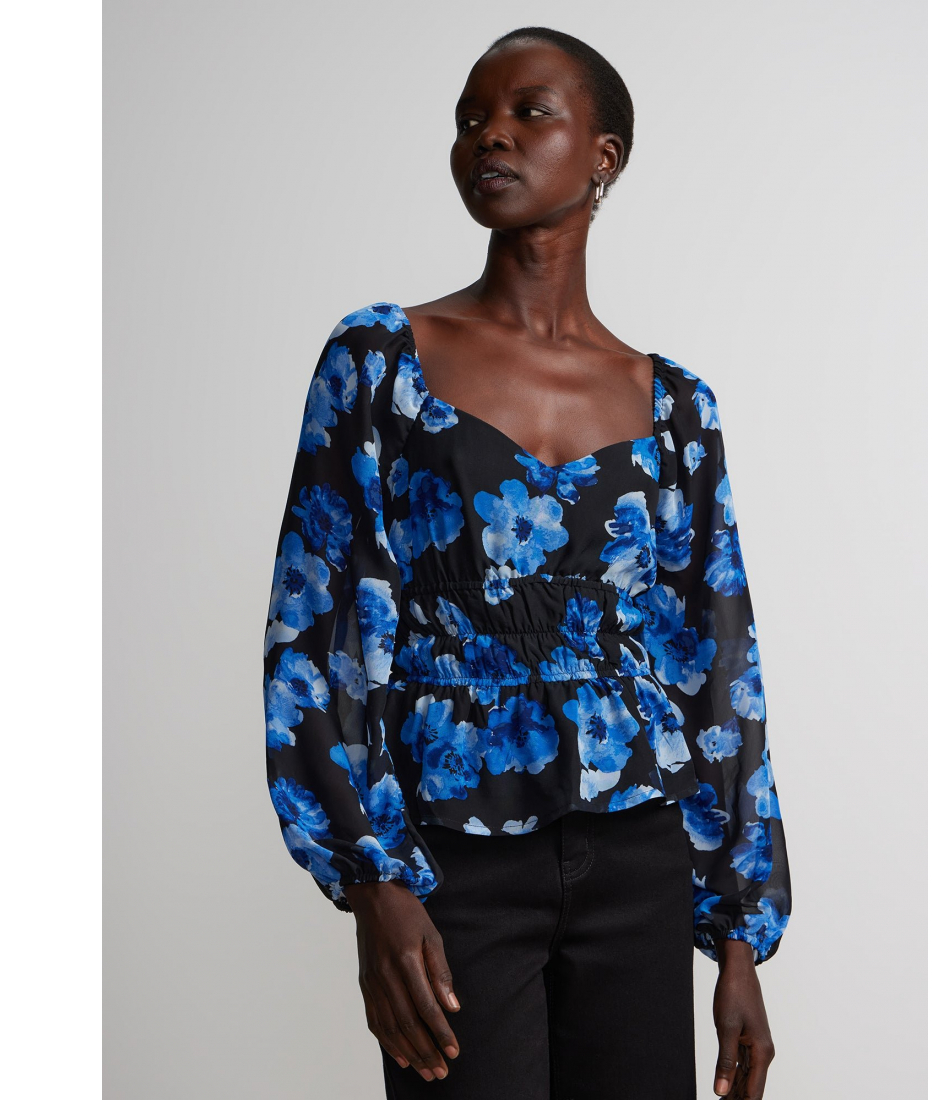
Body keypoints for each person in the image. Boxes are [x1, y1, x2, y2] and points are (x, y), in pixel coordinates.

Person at [263, 26, 791, 1100]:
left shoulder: (677, 408)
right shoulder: (380, 362)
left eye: (526, 112)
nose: (488, 135)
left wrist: (736, 938)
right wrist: (373, 880)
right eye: (469, 118)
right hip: (451, 858)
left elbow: (715, 666)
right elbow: (315, 632)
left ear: (603, 157)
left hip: (639, 855)